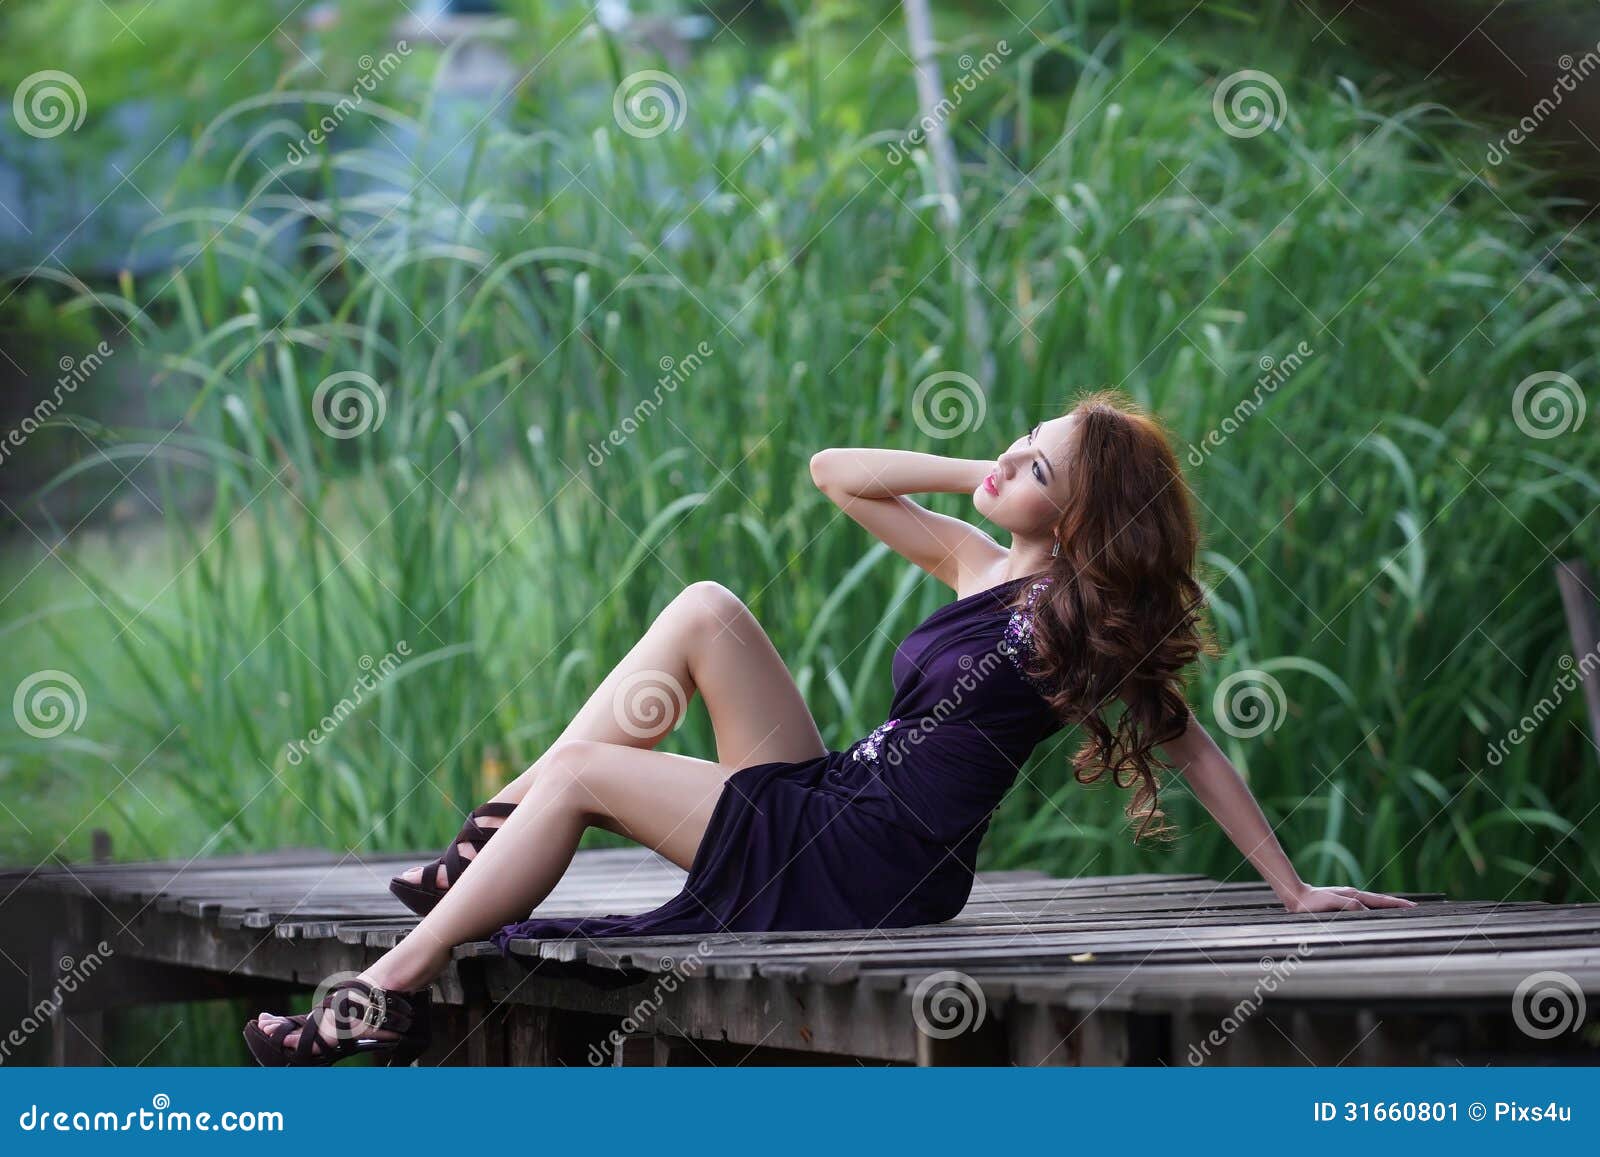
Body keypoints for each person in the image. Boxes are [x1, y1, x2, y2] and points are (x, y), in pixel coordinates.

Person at [243, 389, 1416, 1066]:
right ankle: (487, 843)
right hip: (844, 805)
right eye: (1022, 439)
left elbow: (1188, 744)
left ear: (1086, 506)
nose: (1010, 459)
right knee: (705, 607)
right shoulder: (971, 560)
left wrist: (1293, 891)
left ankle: (388, 986)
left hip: (870, 855)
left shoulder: (1082, 616)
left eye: (1038, 461)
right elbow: (834, 470)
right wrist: (986, 469)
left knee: (591, 773)